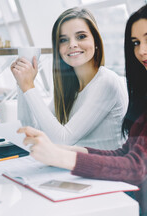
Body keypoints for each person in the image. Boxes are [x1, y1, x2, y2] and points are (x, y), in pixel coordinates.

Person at [18, 3, 147, 216]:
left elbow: (137, 167)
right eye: (136, 43)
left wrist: (62, 156)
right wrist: (65, 150)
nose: (141, 51)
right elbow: (126, 153)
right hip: (146, 204)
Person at [11, 7, 128, 150]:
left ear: (96, 41)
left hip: (105, 171)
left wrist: (29, 86)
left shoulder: (106, 81)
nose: (72, 44)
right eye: (63, 40)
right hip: (76, 169)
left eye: (81, 36)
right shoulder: (71, 88)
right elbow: (31, 130)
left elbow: (62, 140)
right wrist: (21, 82)